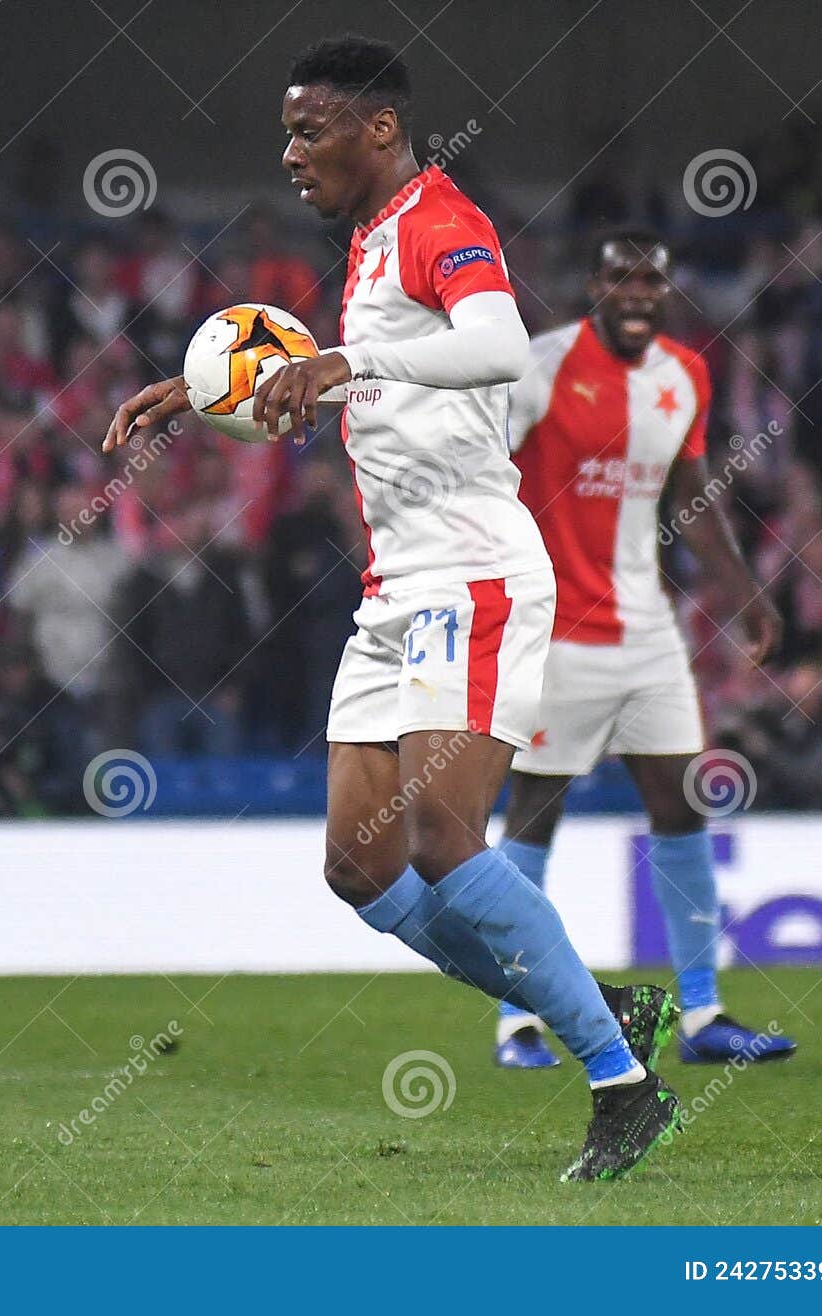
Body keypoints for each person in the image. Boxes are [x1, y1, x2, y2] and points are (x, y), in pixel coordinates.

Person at [104, 36, 682, 1182]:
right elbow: (373, 361)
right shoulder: (371, 245)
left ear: (377, 129)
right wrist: (211, 389)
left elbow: (499, 343)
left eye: (308, 129)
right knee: (360, 864)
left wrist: (340, 359)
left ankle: (623, 1083)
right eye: (285, 132)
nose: (290, 153)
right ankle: (597, 1005)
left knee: (440, 834)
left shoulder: (435, 216)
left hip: (472, 571)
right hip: (397, 587)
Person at [492, 231, 798, 1068]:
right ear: (594, 285)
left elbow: (690, 496)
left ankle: (702, 1015)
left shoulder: (684, 375)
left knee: (681, 802)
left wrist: (744, 594)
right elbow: (484, 467)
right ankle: (516, 1023)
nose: (636, 294)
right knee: (534, 817)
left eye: (651, 282)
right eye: (621, 279)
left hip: (649, 631)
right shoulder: (541, 366)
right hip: (556, 631)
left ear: (666, 292)